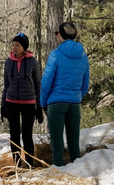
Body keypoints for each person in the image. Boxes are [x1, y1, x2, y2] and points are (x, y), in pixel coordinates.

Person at [39, 22, 90, 166]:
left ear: (61, 35)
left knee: (57, 146)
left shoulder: (56, 54)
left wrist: (43, 102)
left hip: (56, 103)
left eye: (57, 34)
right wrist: (77, 96)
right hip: (74, 104)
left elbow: (46, 81)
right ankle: (78, 174)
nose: (56, 36)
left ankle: (58, 175)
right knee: (74, 145)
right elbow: (85, 82)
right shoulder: (82, 55)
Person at [1, 32, 43, 167]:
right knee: (14, 136)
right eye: (13, 45)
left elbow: (37, 84)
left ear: (24, 47)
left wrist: (39, 106)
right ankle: (18, 165)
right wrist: (3, 105)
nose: (14, 48)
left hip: (29, 102)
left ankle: (29, 165)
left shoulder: (32, 62)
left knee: (27, 135)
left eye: (17, 45)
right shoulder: (8, 62)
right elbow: (6, 84)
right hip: (11, 102)